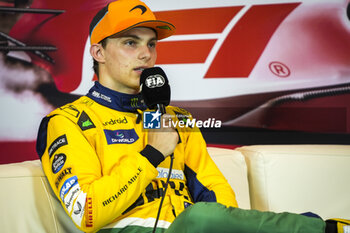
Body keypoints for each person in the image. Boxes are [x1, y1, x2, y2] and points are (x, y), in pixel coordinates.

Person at [36, 0, 349, 232]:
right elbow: (88, 213)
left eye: (151, 44)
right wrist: (152, 153)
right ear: (98, 53)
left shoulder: (176, 118)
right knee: (202, 218)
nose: (146, 54)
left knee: (206, 217)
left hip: (191, 229)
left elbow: (214, 190)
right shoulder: (68, 121)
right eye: (130, 43)